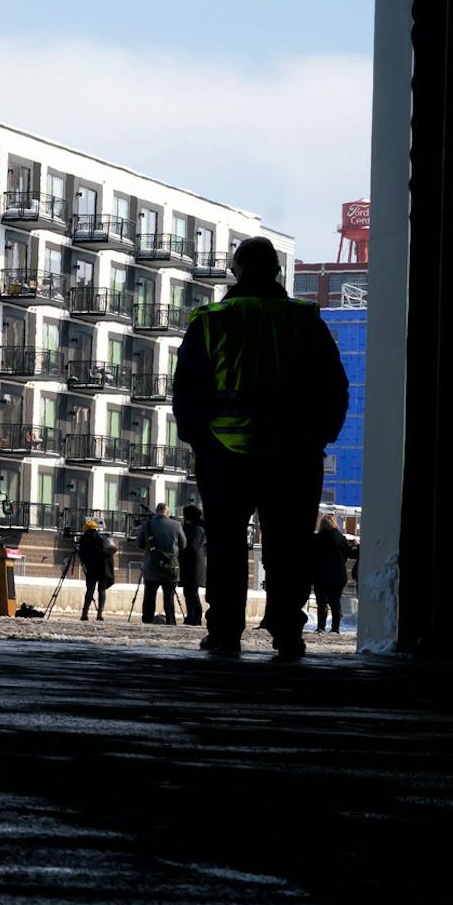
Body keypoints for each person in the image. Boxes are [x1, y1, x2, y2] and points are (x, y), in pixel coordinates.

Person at [175, 236, 350, 662]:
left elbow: (188, 387)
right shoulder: (304, 320)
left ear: (236, 271)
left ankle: (225, 631)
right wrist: (321, 436)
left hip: (225, 454)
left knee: (226, 547)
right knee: (289, 548)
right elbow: (334, 386)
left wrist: (199, 438)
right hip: (294, 456)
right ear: (276, 272)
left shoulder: (212, 321)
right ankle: (288, 632)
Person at [136, 502, 184, 625]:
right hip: (170, 567)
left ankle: (147, 620)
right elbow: (183, 544)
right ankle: (170, 621)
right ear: (167, 512)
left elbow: (139, 544)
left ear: (156, 511)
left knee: (149, 597)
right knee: (169, 598)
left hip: (151, 567)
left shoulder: (147, 525)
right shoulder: (176, 525)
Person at [311, 516, 357, 634]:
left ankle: (321, 626)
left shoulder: (317, 538)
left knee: (322, 602)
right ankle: (335, 628)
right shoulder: (341, 538)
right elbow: (347, 554)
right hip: (338, 575)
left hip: (321, 575)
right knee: (335, 602)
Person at [74, 520, 114, 620]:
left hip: (91, 569)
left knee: (90, 591)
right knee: (101, 591)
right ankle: (100, 614)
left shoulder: (84, 539)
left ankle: (84, 614)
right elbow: (111, 550)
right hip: (104, 568)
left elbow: (82, 555)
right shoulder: (102, 538)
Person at [178, 503, 208, 627]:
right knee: (188, 592)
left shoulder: (197, 529)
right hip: (190, 564)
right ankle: (190, 616)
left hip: (194, 565)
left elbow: (192, 546)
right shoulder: (193, 527)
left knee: (192, 592)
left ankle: (196, 617)